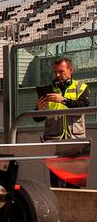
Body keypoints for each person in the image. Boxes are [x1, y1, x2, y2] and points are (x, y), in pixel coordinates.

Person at [34, 57, 90, 187]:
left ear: (71, 70)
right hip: (54, 141)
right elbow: (37, 118)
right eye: (55, 72)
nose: (58, 75)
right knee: (56, 185)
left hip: (74, 141)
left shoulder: (81, 87)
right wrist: (38, 109)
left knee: (74, 184)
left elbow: (83, 108)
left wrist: (63, 100)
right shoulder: (48, 90)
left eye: (61, 71)